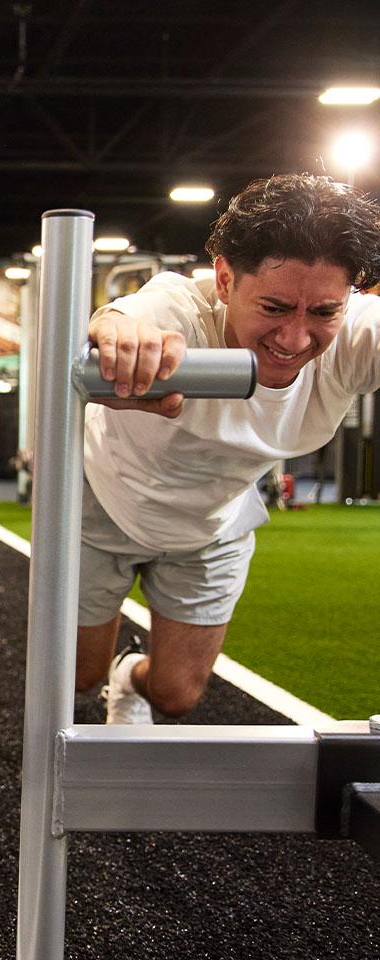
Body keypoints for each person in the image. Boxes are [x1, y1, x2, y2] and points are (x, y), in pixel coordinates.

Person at [77, 174, 380, 723]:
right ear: (223, 278)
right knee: (77, 674)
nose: (294, 339)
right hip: (104, 498)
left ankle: (130, 674)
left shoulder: (359, 334)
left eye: (322, 313)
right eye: (274, 306)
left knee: (176, 694)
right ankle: (102, 672)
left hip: (213, 521)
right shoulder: (178, 308)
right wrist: (114, 331)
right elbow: (124, 319)